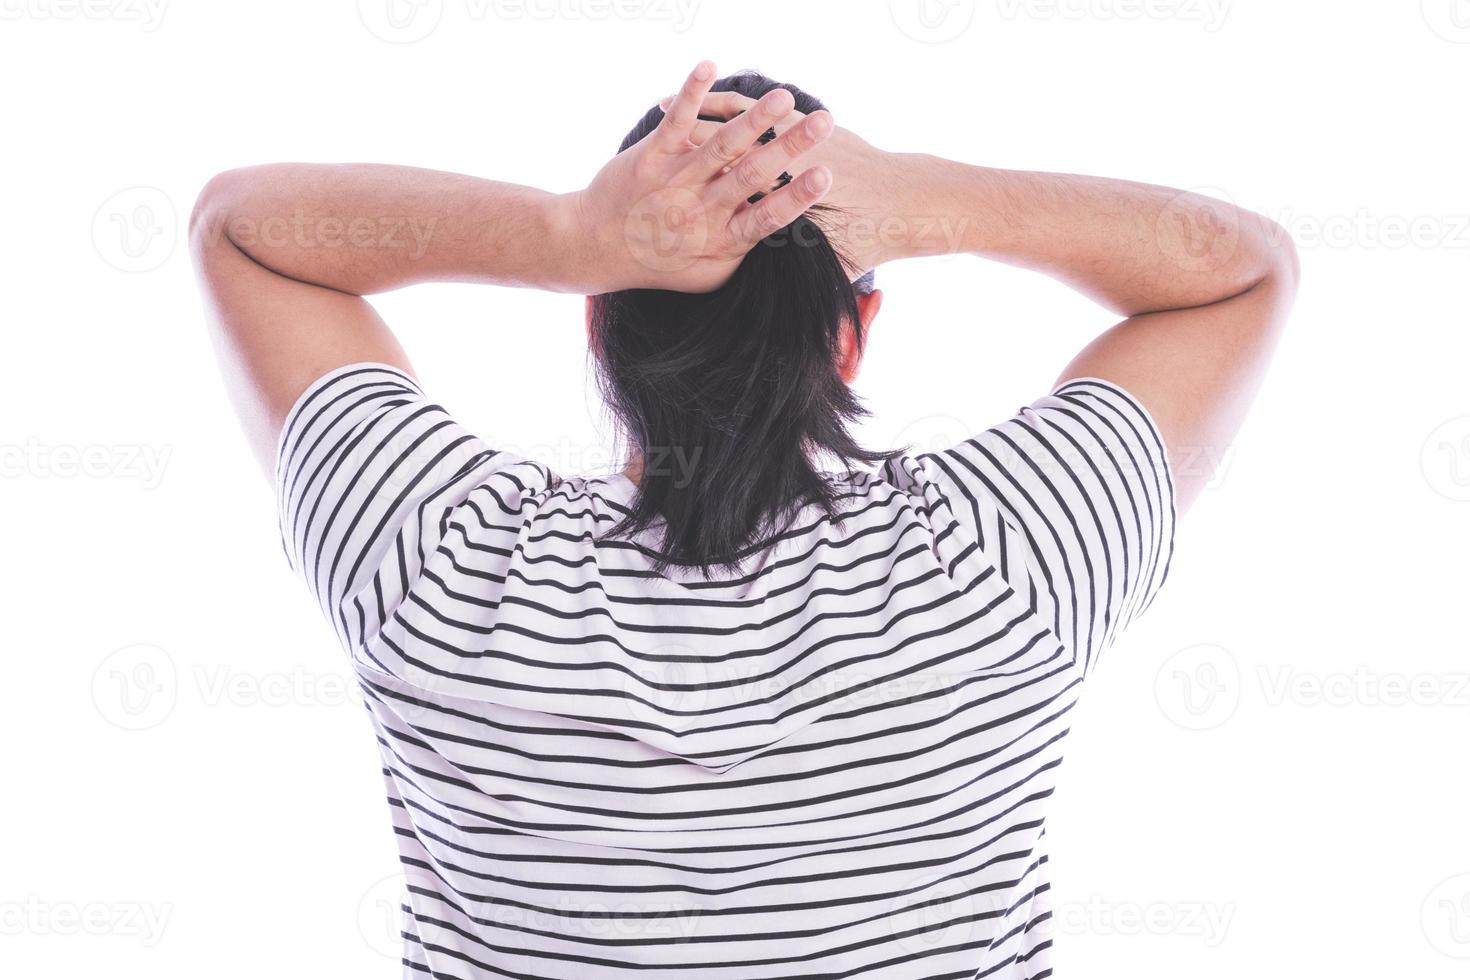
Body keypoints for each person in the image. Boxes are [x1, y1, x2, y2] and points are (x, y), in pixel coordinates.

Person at [190, 62, 1297, 979]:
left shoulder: (440, 565)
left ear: (597, 326)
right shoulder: (1004, 556)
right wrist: (929, 202)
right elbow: (1246, 270)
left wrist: (569, 231)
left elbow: (238, 229)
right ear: (852, 336)